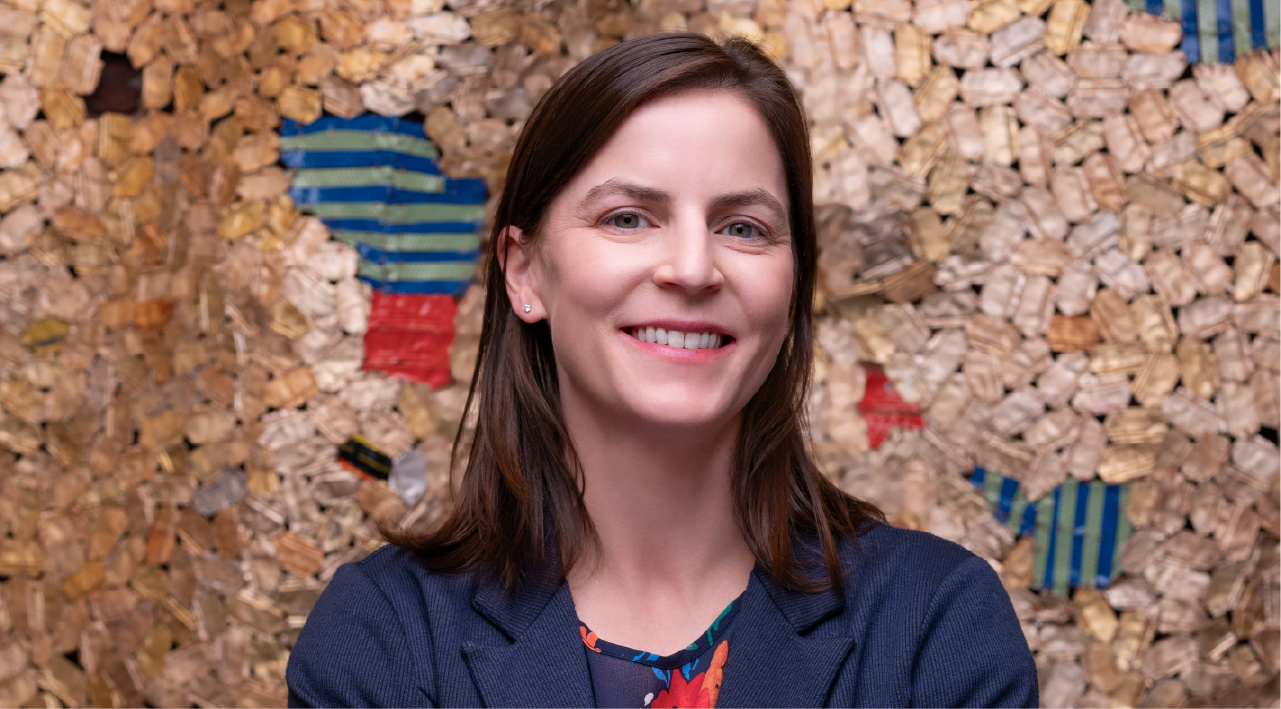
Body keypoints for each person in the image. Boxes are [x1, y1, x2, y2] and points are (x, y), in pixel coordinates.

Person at [286, 32, 1038, 709]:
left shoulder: (935, 624)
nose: (690, 267)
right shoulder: (380, 636)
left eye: (742, 227)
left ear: (793, 282)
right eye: (627, 217)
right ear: (526, 273)